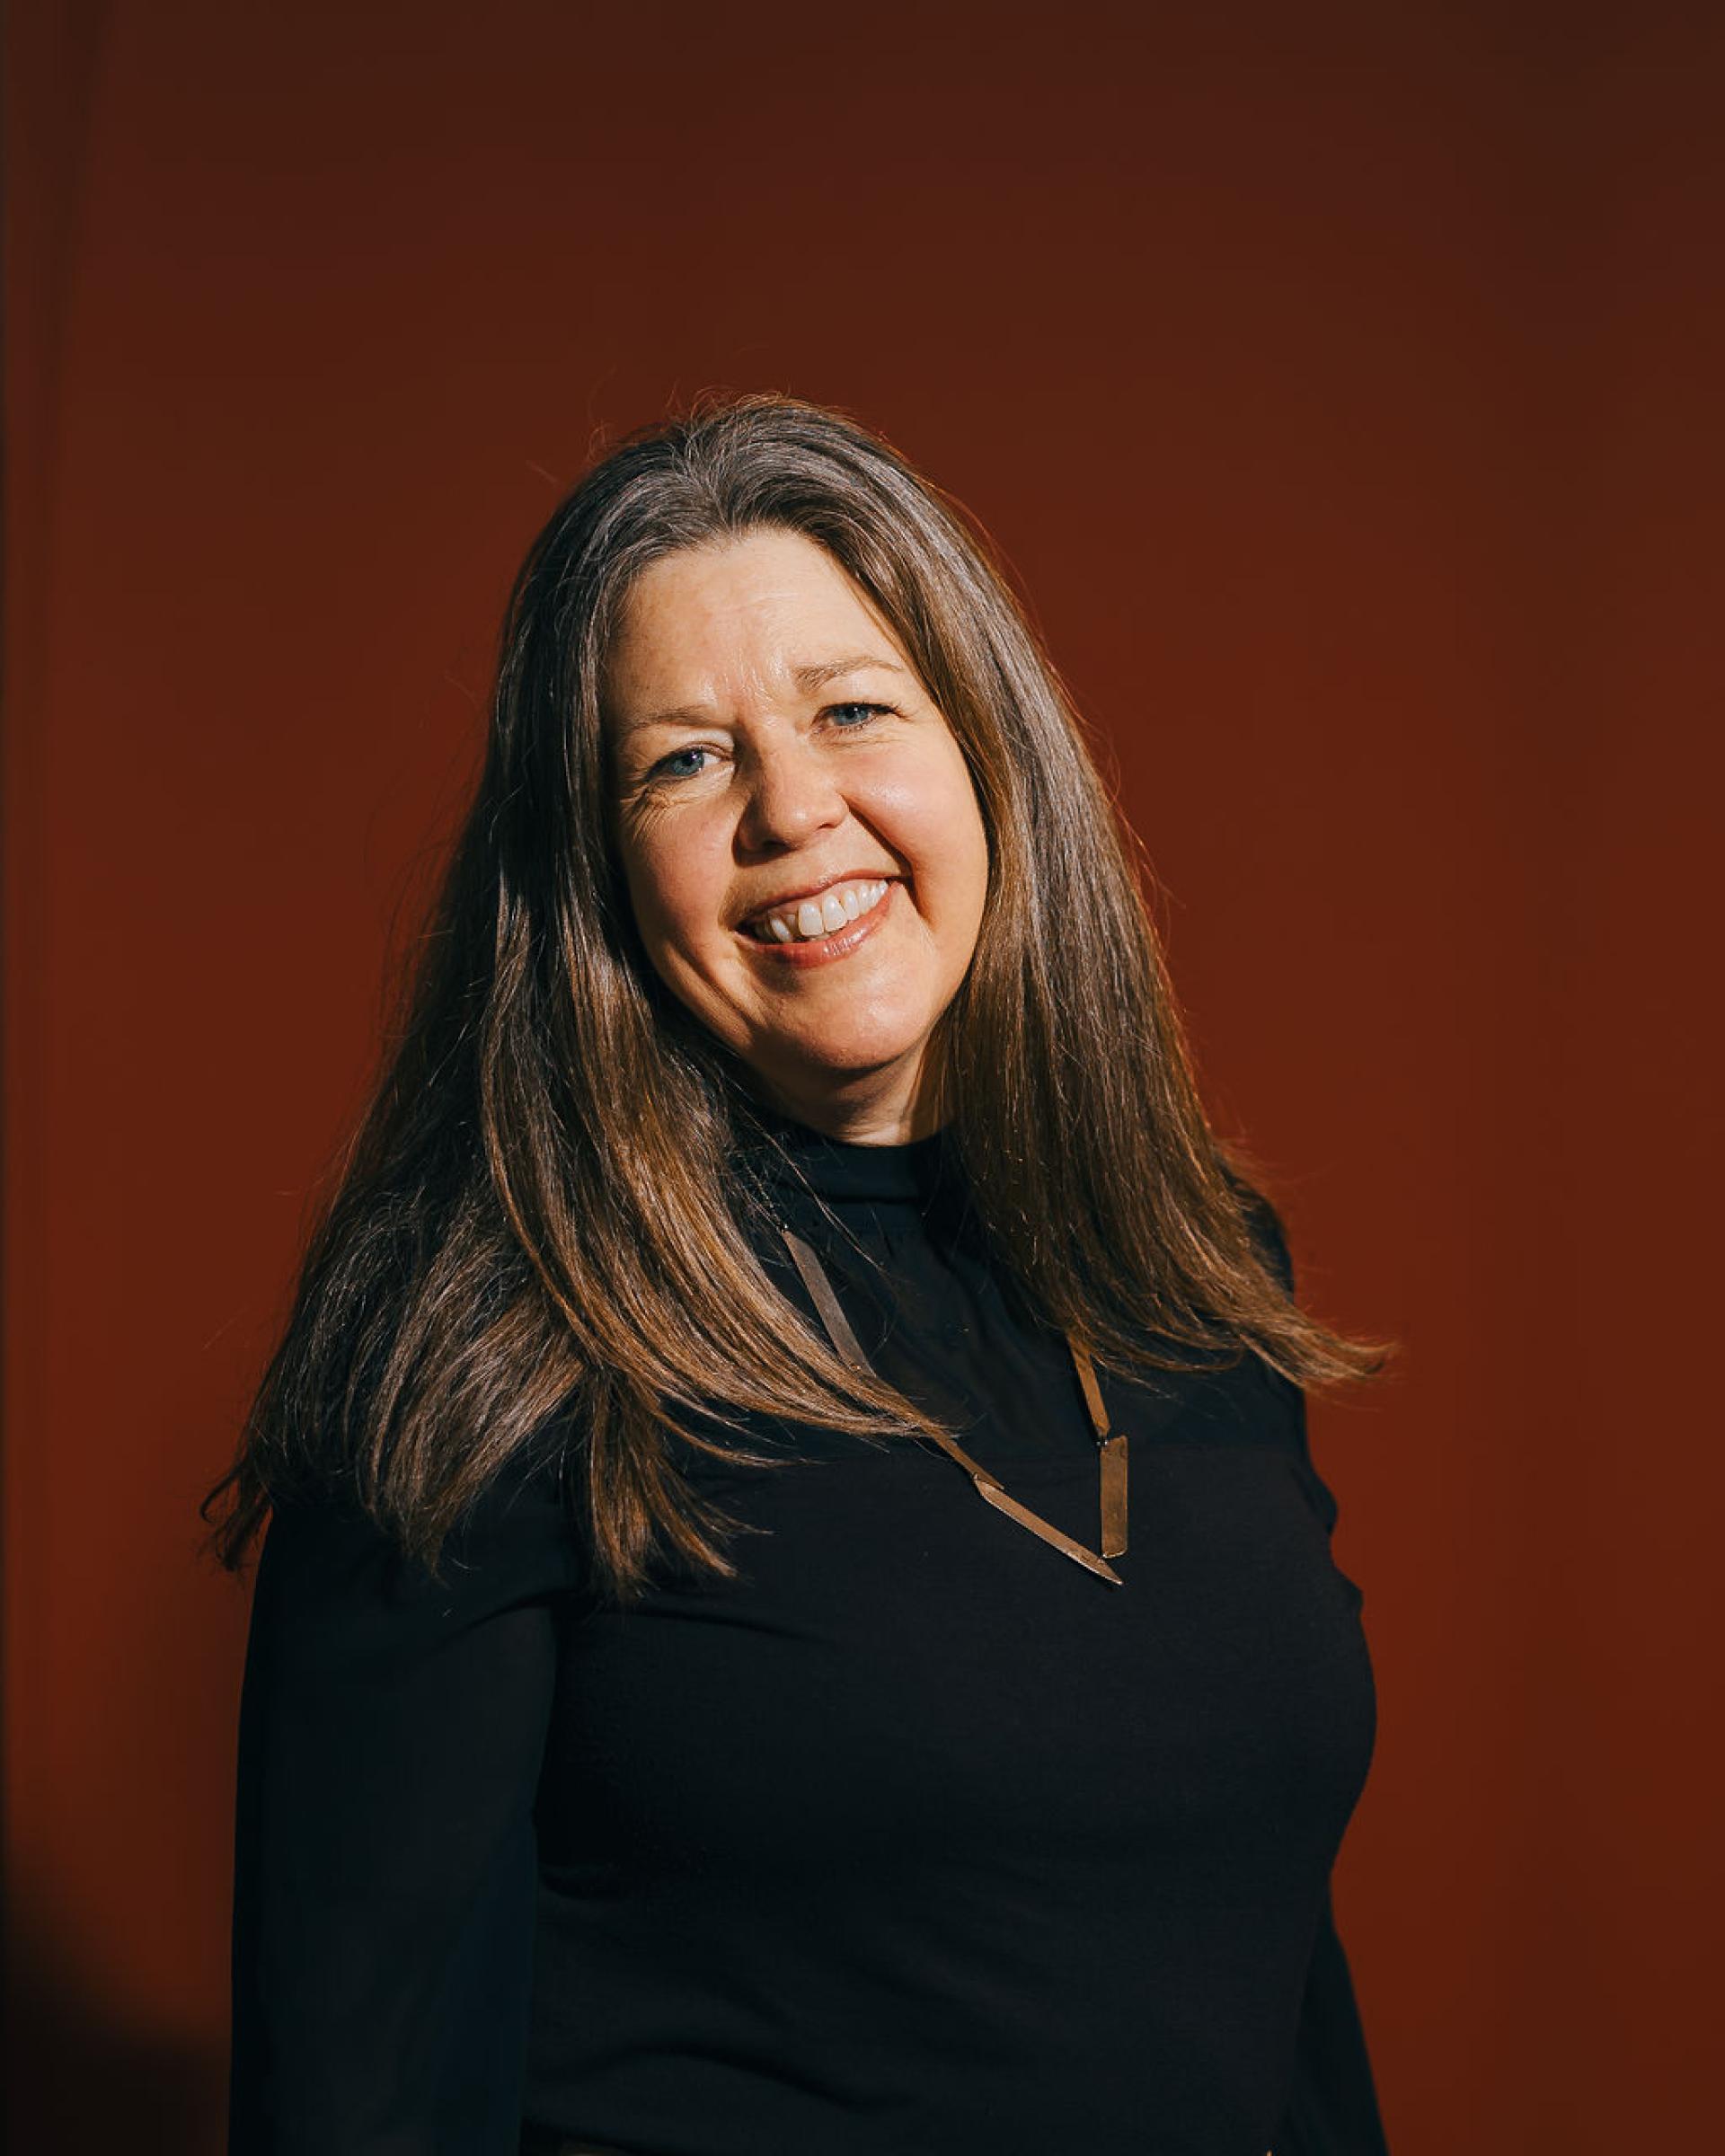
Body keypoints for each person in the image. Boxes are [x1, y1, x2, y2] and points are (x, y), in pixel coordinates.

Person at [205, 390, 1396, 2156]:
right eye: (680, 761)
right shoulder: (485, 1337)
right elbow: (356, 2094)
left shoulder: (1196, 1273)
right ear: (600, 873)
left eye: (852, 710)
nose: (792, 810)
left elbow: (1273, 1992)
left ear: (989, 750)